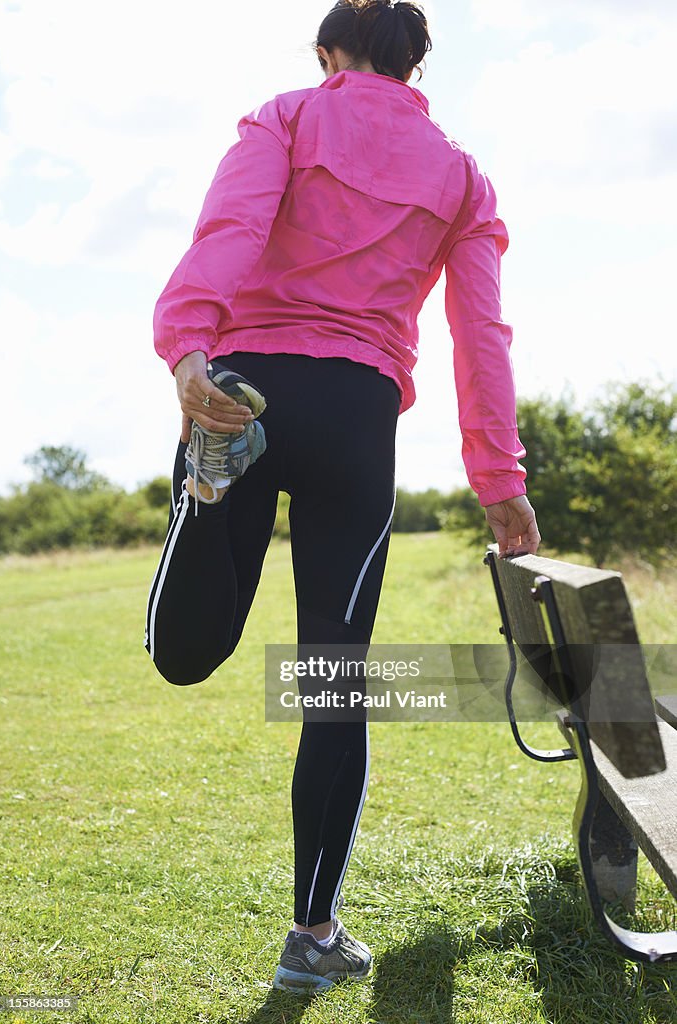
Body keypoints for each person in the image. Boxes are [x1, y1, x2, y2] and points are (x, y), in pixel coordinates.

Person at [144, 0, 541, 994]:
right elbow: (479, 338)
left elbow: (233, 223)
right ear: (413, 68)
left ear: (330, 53)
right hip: (358, 416)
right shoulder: (460, 177)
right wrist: (499, 482)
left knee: (186, 654)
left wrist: (190, 344)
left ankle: (207, 491)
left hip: (246, 393)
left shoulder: (288, 115)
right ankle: (314, 932)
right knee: (333, 684)